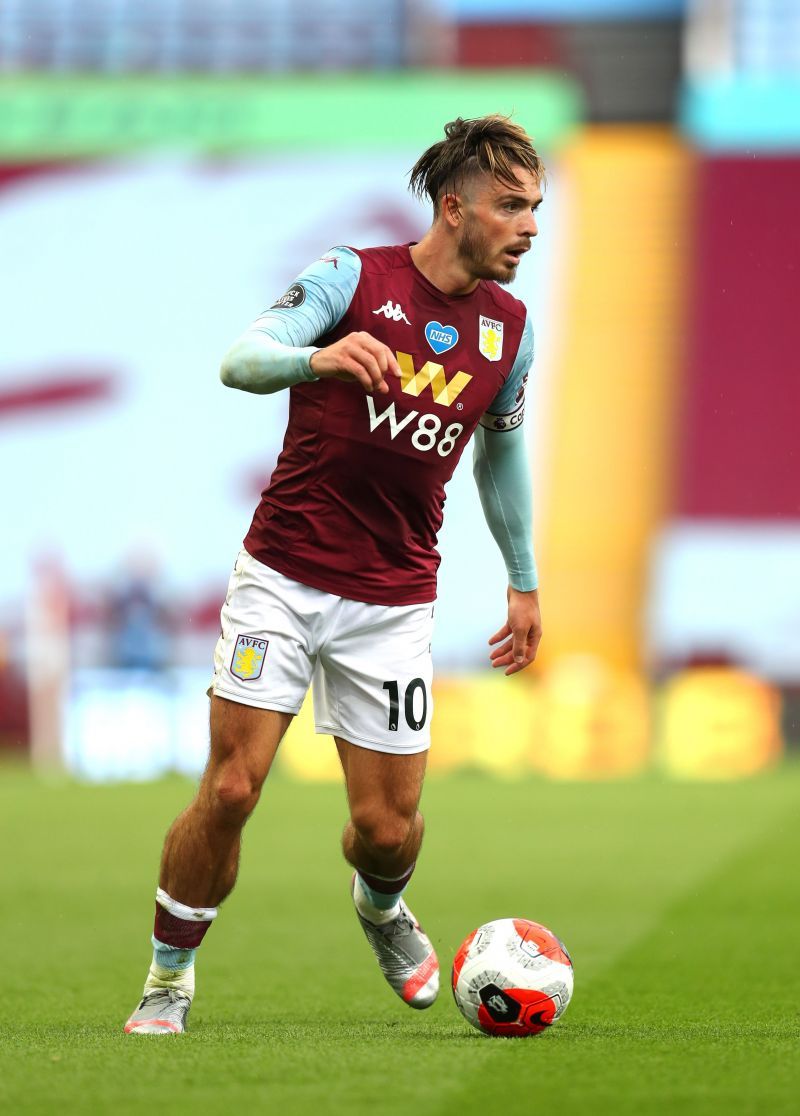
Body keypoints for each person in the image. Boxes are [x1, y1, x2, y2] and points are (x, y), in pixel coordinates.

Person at [125, 114, 545, 1035]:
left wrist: (522, 577)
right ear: (454, 207)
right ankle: (168, 977)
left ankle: (382, 909)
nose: (530, 226)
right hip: (283, 573)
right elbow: (239, 361)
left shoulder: (509, 330)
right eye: (511, 206)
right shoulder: (352, 278)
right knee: (233, 788)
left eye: (537, 209)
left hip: (392, 601)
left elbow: (499, 454)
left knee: (389, 832)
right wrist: (315, 357)